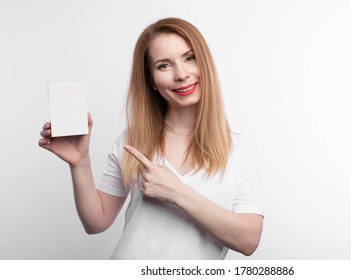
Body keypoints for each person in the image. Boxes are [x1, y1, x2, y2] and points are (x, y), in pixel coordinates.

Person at [39, 17, 263, 259]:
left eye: (190, 58)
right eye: (164, 66)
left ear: (205, 63)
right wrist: (80, 163)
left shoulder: (239, 148)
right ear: (151, 81)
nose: (181, 74)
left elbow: (249, 240)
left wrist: (177, 192)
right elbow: (96, 222)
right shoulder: (131, 141)